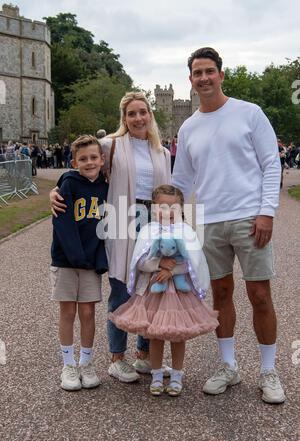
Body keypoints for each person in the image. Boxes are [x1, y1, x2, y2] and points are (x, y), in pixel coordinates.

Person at [172, 47, 285, 404]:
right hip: (208, 221)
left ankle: (268, 371)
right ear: (190, 80)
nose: (203, 78)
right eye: (196, 73)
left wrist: (266, 211)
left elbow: (271, 164)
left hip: (249, 217)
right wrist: (175, 225)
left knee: (260, 295)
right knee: (220, 296)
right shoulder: (188, 128)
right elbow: (180, 182)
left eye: (209, 71)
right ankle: (228, 366)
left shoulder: (249, 114)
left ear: (221, 74)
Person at [50, 92, 171, 383]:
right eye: (132, 114)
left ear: (150, 115)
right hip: (121, 222)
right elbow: (83, 163)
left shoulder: (162, 152)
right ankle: (118, 357)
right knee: (122, 289)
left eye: (143, 112)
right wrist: (56, 190)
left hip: (152, 221)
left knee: (151, 289)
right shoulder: (111, 145)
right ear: (124, 118)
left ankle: (143, 354)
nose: (138, 118)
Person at [110, 185, 219, 396]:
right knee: (156, 335)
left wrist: (173, 270)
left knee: (179, 335)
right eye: (162, 207)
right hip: (155, 292)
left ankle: (177, 375)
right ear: (153, 208)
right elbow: (140, 261)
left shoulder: (187, 231)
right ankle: (157, 374)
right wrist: (159, 264)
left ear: (181, 208)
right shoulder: (149, 230)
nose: (167, 212)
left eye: (173, 207)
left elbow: (194, 262)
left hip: (180, 294)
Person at [50, 135, 108, 391]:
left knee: (87, 312)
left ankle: (86, 362)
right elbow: (61, 222)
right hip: (66, 259)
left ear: (102, 159)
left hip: (90, 262)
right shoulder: (69, 183)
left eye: (94, 157)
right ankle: (68, 364)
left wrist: (99, 259)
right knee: (68, 312)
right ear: (74, 162)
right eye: (83, 159)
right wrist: (76, 255)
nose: (89, 162)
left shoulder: (106, 188)